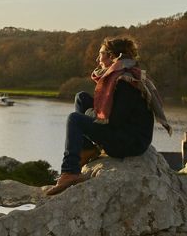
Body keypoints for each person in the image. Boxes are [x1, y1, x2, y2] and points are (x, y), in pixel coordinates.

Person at [46, 35, 171, 196]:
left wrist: (90, 115)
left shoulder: (125, 82)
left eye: (101, 54)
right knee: (81, 97)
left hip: (130, 143)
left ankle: (70, 172)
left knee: (74, 119)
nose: (97, 59)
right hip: (126, 134)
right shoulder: (120, 75)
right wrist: (92, 114)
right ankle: (87, 150)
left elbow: (114, 121)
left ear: (112, 57)